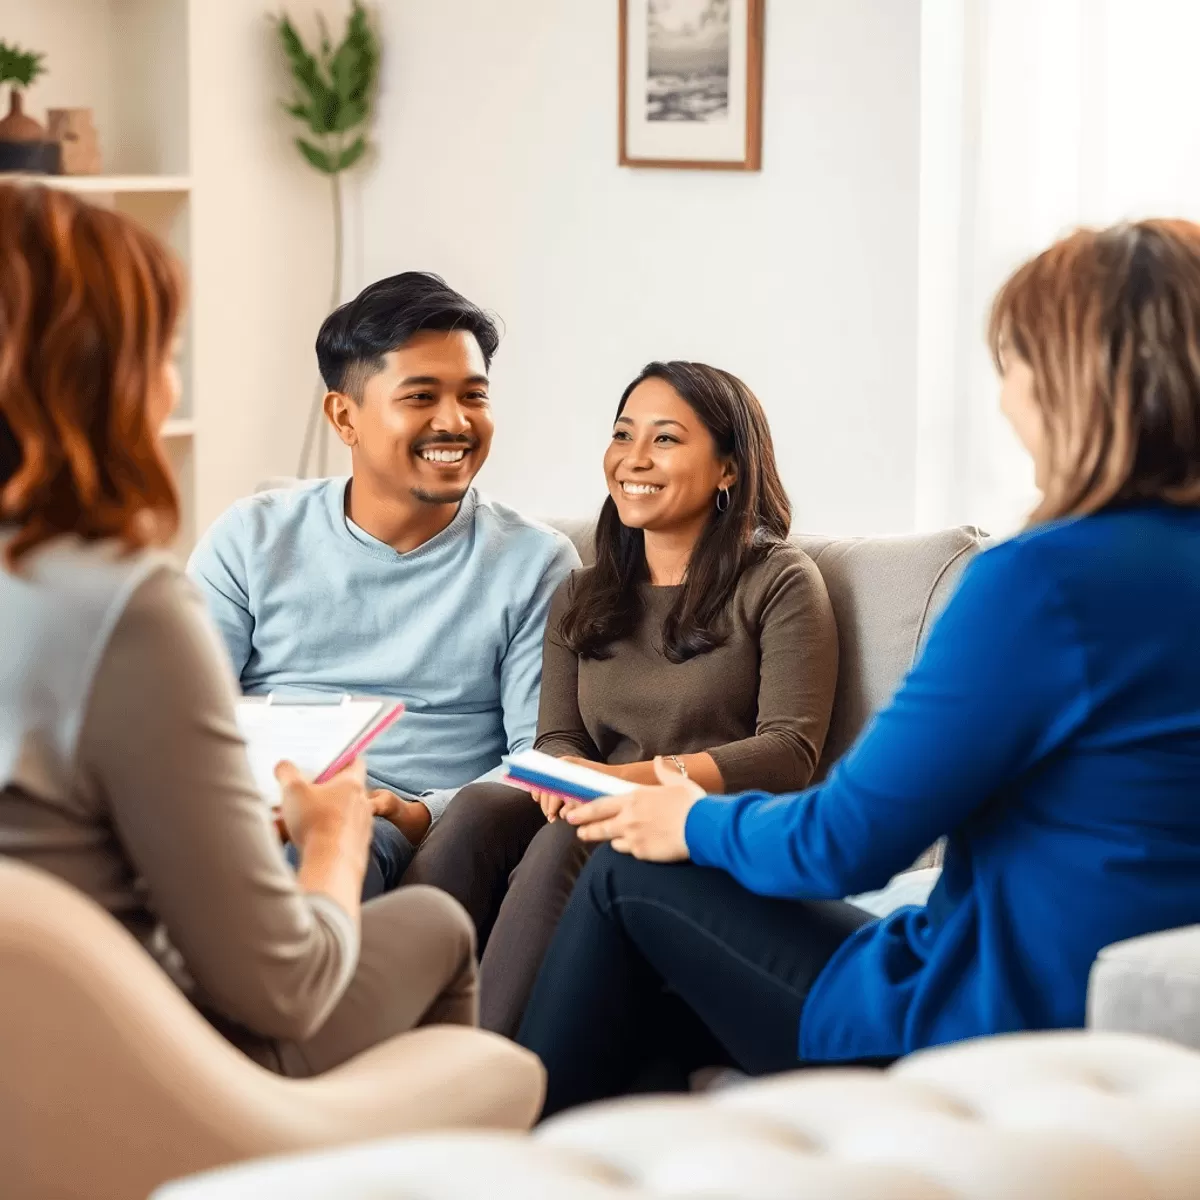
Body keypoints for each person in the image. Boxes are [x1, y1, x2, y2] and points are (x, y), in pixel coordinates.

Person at [518, 218, 1200, 1116]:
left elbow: (844, 841)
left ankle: (506, 1152)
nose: (1007, 403)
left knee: (630, 878)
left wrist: (687, 819)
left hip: (990, 1024)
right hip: (1134, 1015)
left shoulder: (1045, 582)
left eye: (1017, 368)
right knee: (655, 991)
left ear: (1078, 384)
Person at [0, 183, 476, 1076]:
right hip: (126, 1068)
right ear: (104, 376)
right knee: (436, 929)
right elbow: (280, 988)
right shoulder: (125, 607)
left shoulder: (530, 563)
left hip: (29, 1059)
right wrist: (332, 832)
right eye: (163, 351)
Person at [404, 361, 839, 1037]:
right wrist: (569, 779)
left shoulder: (779, 580)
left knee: (568, 837)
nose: (634, 458)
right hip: (600, 805)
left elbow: (789, 752)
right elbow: (558, 738)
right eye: (622, 434)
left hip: (705, 829)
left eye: (666, 439)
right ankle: (392, 1042)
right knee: (480, 808)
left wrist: (618, 784)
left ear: (729, 467)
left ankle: (487, 1066)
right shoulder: (583, 592)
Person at [188, 273, 579, 898]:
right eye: (420, 397)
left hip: (385, 826)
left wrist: (425, 812)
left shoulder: (535, 562)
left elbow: (543, 755)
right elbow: (187, 712)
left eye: (473, 397)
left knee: (313, 863)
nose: (455, 421)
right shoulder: (250, 537)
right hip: (250, 807)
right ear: (345, 416)